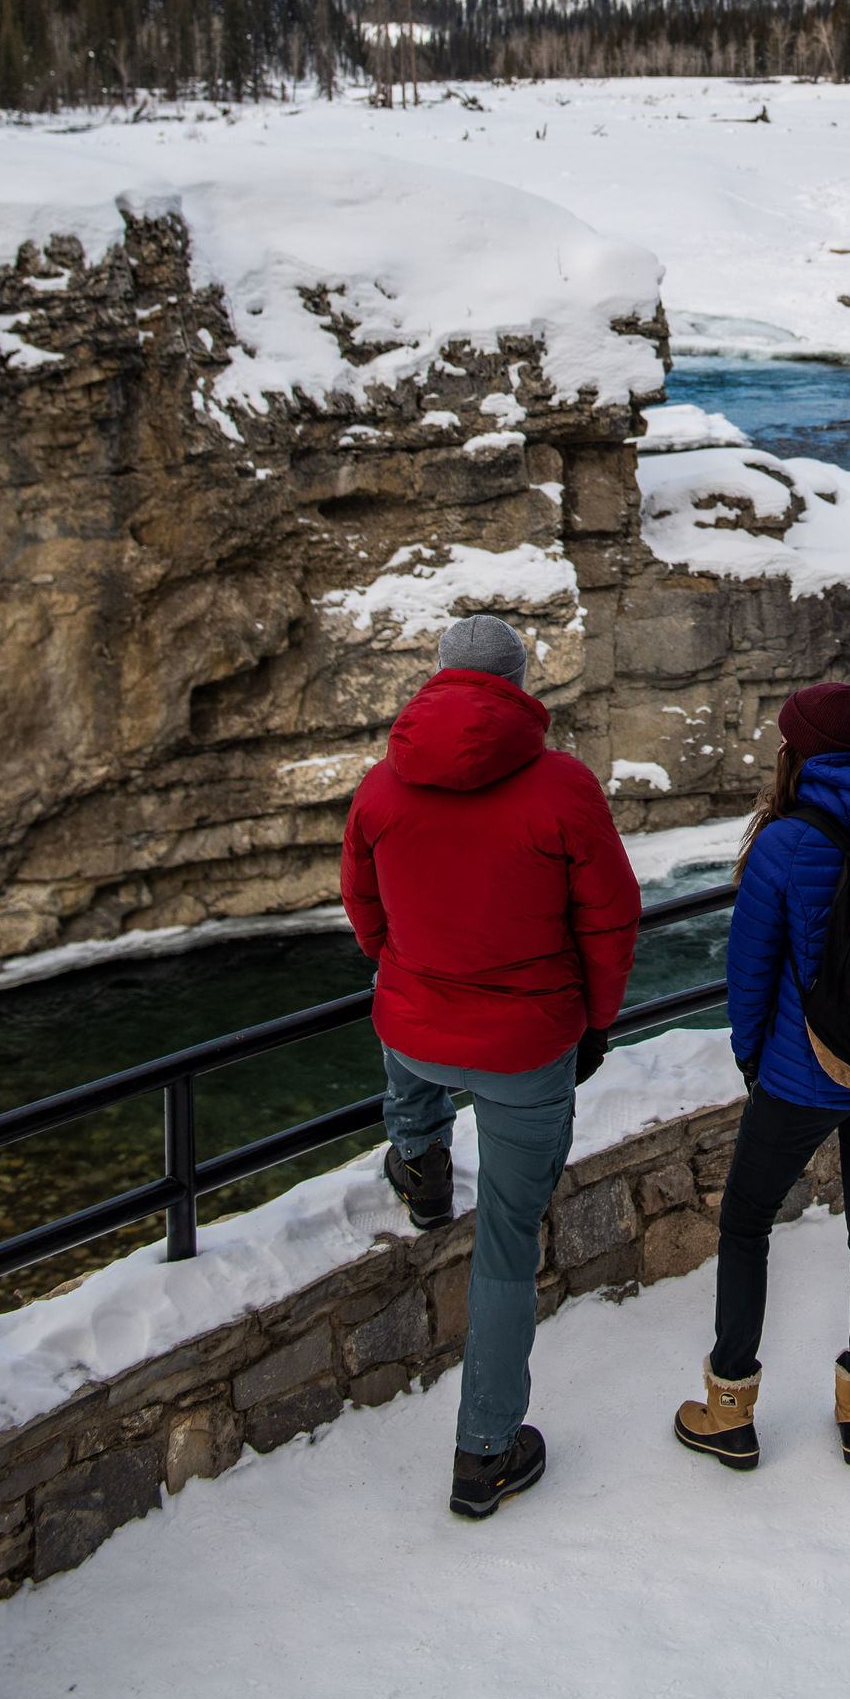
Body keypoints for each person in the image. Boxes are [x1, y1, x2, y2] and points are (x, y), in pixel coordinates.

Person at [341, 611, 640, 1521]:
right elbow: (611, 916)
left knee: (412, 1070)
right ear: (517, 681)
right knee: (506, 1247)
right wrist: (594, 1021)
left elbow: (362, 903)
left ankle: (421, 1166)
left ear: (438, 676)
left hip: (416, 1018)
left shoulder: (382, 788)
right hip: (525, 1043)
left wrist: (405, 966)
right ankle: (485, 1453)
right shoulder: (562, 787)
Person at [675, 680, 850, 1474]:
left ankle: (729, 1410)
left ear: (798, 751)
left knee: (748, 1221)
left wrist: (755, 1061)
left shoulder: (786, 842)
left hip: (802, 1074)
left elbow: (750, 973)